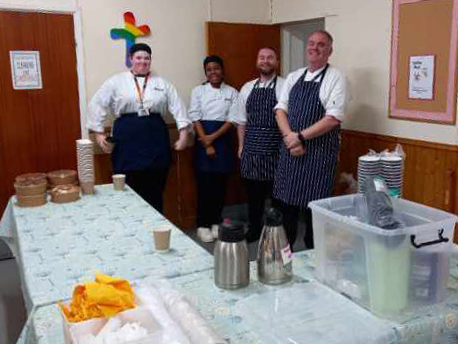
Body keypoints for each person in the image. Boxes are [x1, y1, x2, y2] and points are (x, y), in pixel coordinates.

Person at [87, 43, 191, 213]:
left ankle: (156, 229)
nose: (143, 61)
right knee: (128, 188)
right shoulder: (116, 81)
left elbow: (178, 106)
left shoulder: (162, 83)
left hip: (156, 138)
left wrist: (184, 134)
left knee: (155, 189)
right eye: (139, 58)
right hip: (127, 140)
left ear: (150, 60)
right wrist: (99, 134)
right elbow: (96, 104)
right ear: (131, 59)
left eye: (147, 58)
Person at [273, 30, 350, 249]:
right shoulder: (294, 76)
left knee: (313, 214)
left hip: (318, 155)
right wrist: (290, 138)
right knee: (285, 209)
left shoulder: (336, 77)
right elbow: (280, 110)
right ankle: (284, 258)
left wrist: (300, 137)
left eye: (321, 44)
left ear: (330, 51)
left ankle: (314, 261)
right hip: (291, 152)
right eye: (311, 43)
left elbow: (333, 118)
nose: (314, 47)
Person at [189, 55, 241, 242]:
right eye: (209, 69)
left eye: (216, 68)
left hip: (223, 140)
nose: (213, 72)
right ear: (206, 72)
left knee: (220, 186)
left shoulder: (232, 92)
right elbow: (194, 116)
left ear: (222, 70)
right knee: (204, 186)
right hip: (203, 138)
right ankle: (202, 224)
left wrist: (213, 138)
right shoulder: (198, 91)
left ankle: (216, 223)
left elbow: (233, 119)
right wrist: (206, 141)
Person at [237, 47, 285, 243]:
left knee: (278, 196)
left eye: (270, 57)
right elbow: (241, 121)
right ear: (257, 61)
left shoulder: (284, 85)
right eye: (262, 57)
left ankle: (276, 233)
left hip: (277, 149)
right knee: (254, 197)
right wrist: (240, 146)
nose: (265, 61)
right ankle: (254, 229)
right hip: (252, 150)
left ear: (277, 61)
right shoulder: (247, 88)